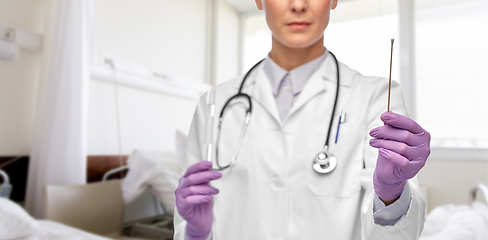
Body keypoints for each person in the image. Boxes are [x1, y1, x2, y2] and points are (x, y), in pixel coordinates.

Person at [174, 0, 430, 239]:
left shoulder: (376, 97)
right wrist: (196, 233)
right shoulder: (214, 103)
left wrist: (391, 193)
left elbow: (398, 235)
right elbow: (188, 221)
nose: (298, 5)